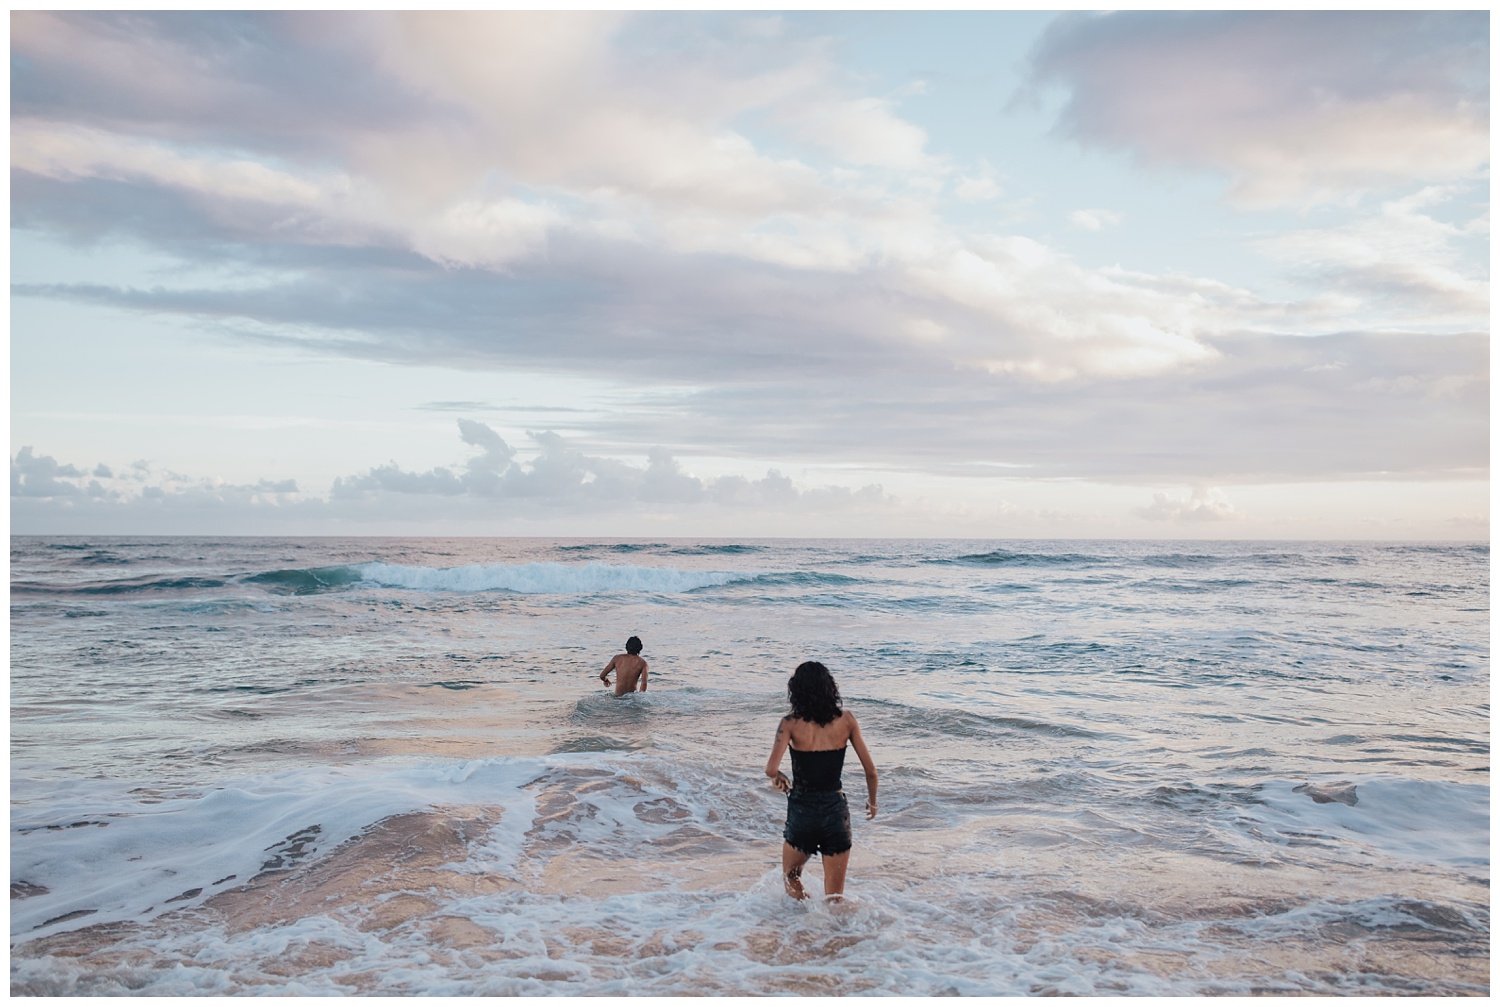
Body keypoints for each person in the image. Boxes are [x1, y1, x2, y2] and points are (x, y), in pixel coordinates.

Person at [763, 660, 878, 901]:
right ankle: (832, 934)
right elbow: (871, 771)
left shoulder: (790, 723)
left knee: (791, 875)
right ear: (830, 688)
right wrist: (872, 802)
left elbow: (771, 769)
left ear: (796, 691)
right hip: (835, 811)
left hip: (803, 811)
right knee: (835, 897)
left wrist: (779, 778)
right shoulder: (847, 720)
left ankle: (805, 921)